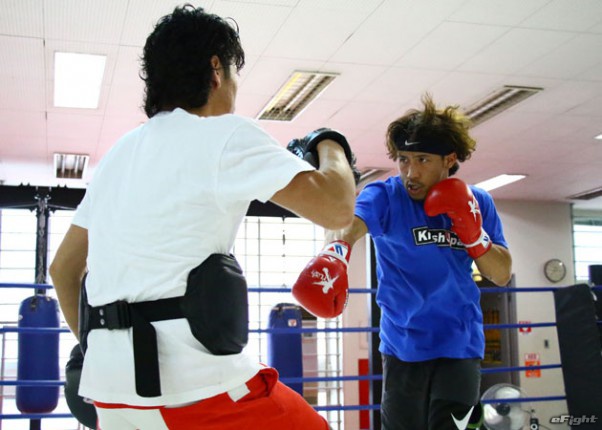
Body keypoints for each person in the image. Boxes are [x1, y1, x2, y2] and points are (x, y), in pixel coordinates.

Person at [49, 4, 357, 430]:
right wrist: (330, 143)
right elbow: (337, 207)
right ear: (216, 69)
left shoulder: (117, 155)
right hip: (195, 391)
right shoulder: (223, 134)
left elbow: (63, 270)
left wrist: (103, 352)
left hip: (109, 399)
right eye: (234, 75)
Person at [291, 94, 512, 430]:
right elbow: (347, 223)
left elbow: (502, 274)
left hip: (460, 346)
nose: (411, 172)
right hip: (402, 347)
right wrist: (335, 253)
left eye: (422, 160)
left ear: (449, 159)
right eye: (403, 159)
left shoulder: (478, 202)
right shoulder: (386, 196)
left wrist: (474, 235)